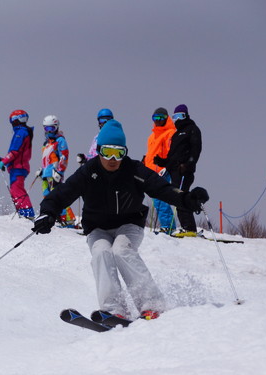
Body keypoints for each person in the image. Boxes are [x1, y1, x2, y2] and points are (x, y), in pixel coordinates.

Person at [32, 119, 209, 320]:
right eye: (107, 152)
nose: (113, 159)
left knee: (121, 250)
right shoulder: (88, 172)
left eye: (119, 152)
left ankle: (152, 304)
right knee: (101, 253)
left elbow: (162, 189)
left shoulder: (134, 171)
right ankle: (114, 310)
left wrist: (188, 199)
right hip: (97, 228)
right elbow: (63, 193)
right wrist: (48, 212)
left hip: (129, 225)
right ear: (99, 151)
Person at [154, 104, 202, 234]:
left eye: (181, 116)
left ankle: (189, 227)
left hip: (184, 170)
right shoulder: (176, 135)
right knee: (177, 197)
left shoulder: (192, 129)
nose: (178, 119)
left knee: (181, 196)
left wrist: (188, 165)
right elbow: (171, 157)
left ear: (186, 115)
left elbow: (196, 149)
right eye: (175, 116)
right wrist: (161, 161)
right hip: (175, 171)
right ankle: (187, 226)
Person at [0, 109, 35, 219]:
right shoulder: (21, 132)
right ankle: (23, 212)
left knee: (17, 189)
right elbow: (16, 153)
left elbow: (15, 151)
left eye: (13, 120)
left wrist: (4, 161)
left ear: (20, 119)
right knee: (14, 190)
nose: (12, 123)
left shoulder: (21, 133)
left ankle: (27, 213)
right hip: (17, 166)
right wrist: (4, 160)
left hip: (19, 167)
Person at [143, 107, 177, 233]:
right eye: (155, 118)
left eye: (161, 118)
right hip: (151, 170)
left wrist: (166, 167)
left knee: (162, 198)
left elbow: (171, 152)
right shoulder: (152, 136)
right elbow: (151, 153)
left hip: (162, 170)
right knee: (156, 200)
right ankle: (167, 224)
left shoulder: (170, 133)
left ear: (166, 118)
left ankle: (168, 225)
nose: (158, 121)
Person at [38, 115, 76, 227]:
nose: (49, 131)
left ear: (56, 127)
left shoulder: (60, 141)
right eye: (46, 128)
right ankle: (53, 216)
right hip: (46, 174)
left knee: (58, 197)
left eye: (51, 128)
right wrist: (41, 170)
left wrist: (60, 171)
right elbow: (46, 159)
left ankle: (68, 219)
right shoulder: (46, 143)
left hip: (55, 174)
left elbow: (64, 156)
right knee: (46, 195)